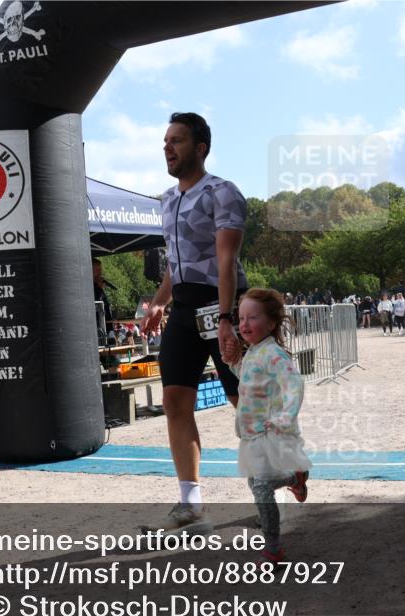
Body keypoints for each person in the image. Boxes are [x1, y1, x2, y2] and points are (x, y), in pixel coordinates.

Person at [141, 112, 247, 533]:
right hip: (183, 311)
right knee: (174, 403)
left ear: (200, 147)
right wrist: (158, 303)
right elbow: (175, 261)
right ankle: (190, 501)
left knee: (244, 401)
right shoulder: (167, 199)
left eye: (177, 141)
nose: (168, 147)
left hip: (222, 305)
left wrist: (225, 318)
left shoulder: (223, 192)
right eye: (165, 141)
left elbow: (227, 260)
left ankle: (269, 481)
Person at [229, 288, 311, 565]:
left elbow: (294, 385)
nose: (244, 324)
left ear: (272, 323)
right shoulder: (253, 352)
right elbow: (248, 377)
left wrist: (285, 417)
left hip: (271, 432)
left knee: (261, 487)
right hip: (252, 435)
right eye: (241, 318)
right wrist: (232, 363)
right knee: (256, 484)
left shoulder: (274, 354)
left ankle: (273, 548)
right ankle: (294, 478)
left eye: (252, 318)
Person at [92, 258, 114, 345]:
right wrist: (99, 288)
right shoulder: (90, 286)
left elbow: (106, 306)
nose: (100, 273)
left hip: (105, 327)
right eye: (97, 270)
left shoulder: (98, 287)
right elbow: (95, 302)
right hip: (96, 329)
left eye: (100, 270)